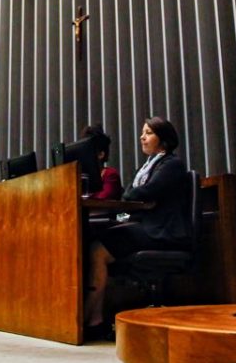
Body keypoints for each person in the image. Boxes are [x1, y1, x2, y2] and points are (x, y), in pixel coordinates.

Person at [84, 117, 189, 340]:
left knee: (97, 250)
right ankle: (94, 318)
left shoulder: (172, 164)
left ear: (164, 140)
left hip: (161, 231)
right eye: (143, 132)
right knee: (96, 244)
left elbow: (141, 192)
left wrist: (138, 196)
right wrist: (137, 197)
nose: (142, 137)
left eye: (149, 133)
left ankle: (93, 319)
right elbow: (129, 194)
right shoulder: (146, 167)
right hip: (145, 226)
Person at [80, 124, 122, 200]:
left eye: (88, 150)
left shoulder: (110, 175)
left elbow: (103, 198)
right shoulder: (81, 176)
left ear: (101, 154)